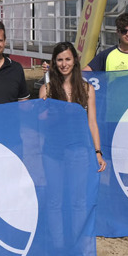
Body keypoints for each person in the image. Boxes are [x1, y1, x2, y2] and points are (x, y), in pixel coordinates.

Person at [40, 42, 107, 172]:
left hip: (79, 150)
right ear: (54, 62)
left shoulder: (87, 89)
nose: (64, 64)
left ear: (75, 61)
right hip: (53, 151)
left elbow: (92, 122)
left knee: (78, 191)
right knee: (56, 192)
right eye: (60, 60)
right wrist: (45, 110)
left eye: (68, 59)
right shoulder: (46, 89)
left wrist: (97, 152)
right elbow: (42, 121)